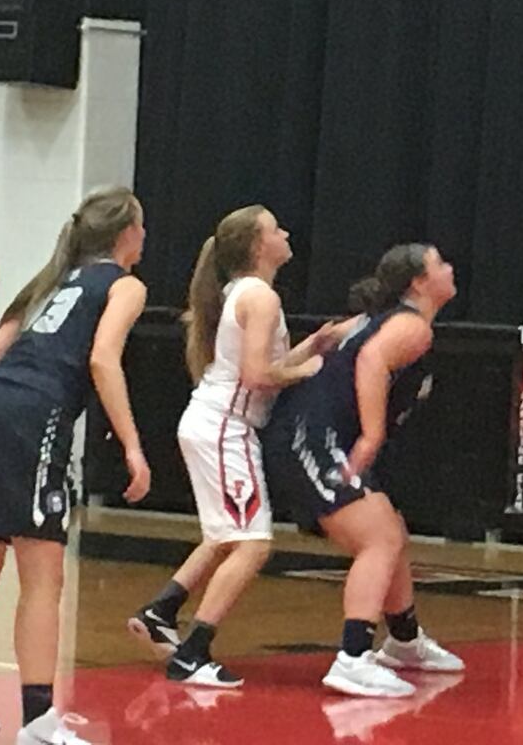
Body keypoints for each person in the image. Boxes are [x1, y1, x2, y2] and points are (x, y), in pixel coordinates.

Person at [0, 188, 151, 745]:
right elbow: (104, 358)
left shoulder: (48, 282)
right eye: (142, 226)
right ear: (126, 234)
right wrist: (131, 445)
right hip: (32, 419)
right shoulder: (125, 285)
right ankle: (37, 723)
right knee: (42, 580)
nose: (145, 237)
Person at [125, 205, 347, 685]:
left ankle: (161, 611)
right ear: (257, 245)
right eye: (276, 228)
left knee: (224, 536)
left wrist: (311, 347)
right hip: (225, 427)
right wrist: (306, 372)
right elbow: (257, 376)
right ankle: (193, 653)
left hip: (213, 420)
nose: (286, 232)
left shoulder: (246, 293)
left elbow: (260, 364)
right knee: (252, 544)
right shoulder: (260, 296)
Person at [262, 244, 465, 699]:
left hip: (310, 429)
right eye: (440, 264)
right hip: (311, 437)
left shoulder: (377, 318)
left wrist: (284, 367)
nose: (450, 268)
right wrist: (370, 436)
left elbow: (329, 338)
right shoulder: (411, 326)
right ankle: (352, 658)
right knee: (380, 538)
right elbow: (371, 360)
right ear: (417, 282)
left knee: (390, 527)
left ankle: (405, 641)